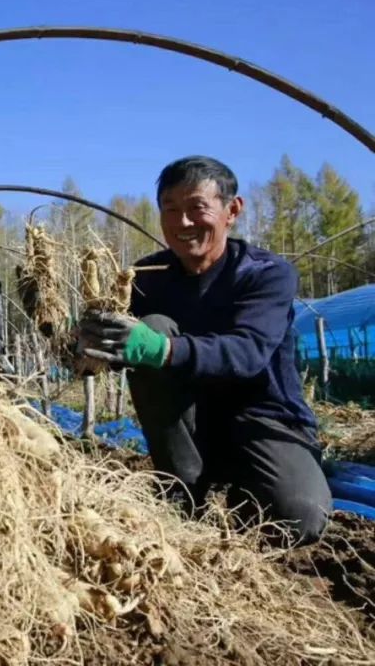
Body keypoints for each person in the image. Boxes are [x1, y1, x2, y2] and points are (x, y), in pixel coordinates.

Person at [78, 156, 331, 545]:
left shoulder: (266, 274)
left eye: (197, 208)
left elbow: (247, 353)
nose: (182, 223)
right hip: (189, 423)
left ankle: (246, 487)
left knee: (299, 517)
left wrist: (160, 349)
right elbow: (121, 342)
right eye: (171, 210)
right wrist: (90, 345)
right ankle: (182, 492)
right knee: (154, 324)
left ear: (232, 210)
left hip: (264, 419)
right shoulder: (148, 278)